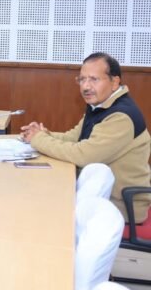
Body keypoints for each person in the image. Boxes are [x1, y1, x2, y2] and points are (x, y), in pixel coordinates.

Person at [21, 52, 151, 223]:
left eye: (94, 79)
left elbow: (84, 155)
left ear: (114, 82)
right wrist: (43, 134)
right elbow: (75, 137)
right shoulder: (101, 105)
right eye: (82, 80)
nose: (85, 86)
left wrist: (40, 140)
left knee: (40, 207)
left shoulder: (120, 117)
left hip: (120, 205)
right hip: (98, 193)